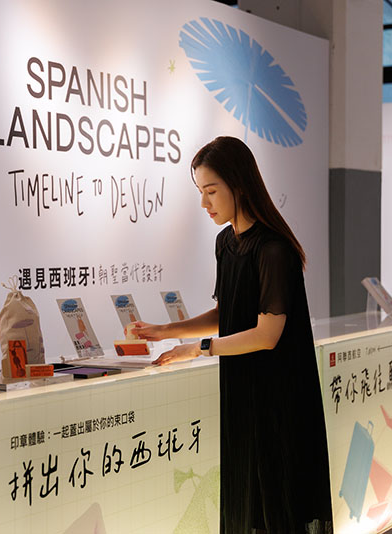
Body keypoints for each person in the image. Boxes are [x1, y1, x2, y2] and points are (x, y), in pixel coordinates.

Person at [131, 136, 333, 534]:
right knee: (246, 497)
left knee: (277, 499)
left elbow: (267, 333)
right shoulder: (226, 243)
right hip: (241, 389)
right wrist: (165, 330)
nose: (204, 203)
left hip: (278, 394)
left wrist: (199, 349)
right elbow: (229, 313)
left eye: (211, 191)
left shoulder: (273, 249)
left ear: (239, 186)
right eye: (200, 192)